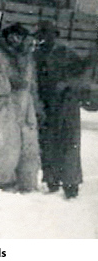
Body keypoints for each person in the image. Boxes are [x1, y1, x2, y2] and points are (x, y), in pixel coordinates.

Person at [33, 20, 97, 198]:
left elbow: (83, 73)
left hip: (67, 104)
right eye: (42, 35)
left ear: (55, 35)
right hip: (47, 104)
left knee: (69, 143)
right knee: (48, 142)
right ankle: (52, 180)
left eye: (48, 34)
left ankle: (71, 184)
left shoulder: (66, 52)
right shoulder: (37, 55)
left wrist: (67, 84)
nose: (45, 39)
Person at [0, 23, 40, 191]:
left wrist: (35, 106)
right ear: (6, 36)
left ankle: (18, 180)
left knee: (23, 146)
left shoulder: (26, 57)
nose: (15, 39)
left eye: (20, 37)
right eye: (13, 35)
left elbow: (31, 84)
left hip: (23, 107)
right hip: (1, 106)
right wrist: (9, 83)